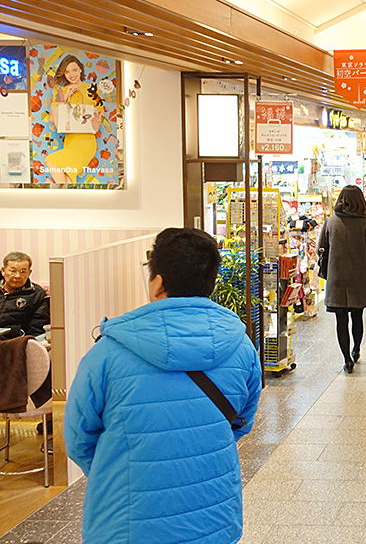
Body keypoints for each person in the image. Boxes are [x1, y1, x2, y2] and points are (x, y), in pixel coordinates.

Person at [64, 228, 262, 544]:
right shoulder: (242, 347)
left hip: (128, 523)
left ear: (157, 282)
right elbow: (240, 423)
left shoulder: (107, 353)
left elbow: (77, 439)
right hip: (213, 518)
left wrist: (122, 467)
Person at [318, 185, 366, 374]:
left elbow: (321, 248)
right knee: (357, 316)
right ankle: (356, 349)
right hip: (358, 278)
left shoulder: (330, 222)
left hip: (336, 278)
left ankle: (346, 359)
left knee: (341, 320)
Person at [45, 55, 103, 184]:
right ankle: (69, 200)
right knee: (67, 179)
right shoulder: (60, 91)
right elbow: (54, 118)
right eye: (67, 72)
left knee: (51, 161)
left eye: (74, 70)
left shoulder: (91, 88)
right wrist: (65, 96)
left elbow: (100, 113)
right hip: (70, 141)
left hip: (87, 142)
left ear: (80, 70)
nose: (71, 75)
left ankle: (64, 198)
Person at [0, 251, 49, 340]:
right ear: (3, 271)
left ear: (29, 273)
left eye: (22, 272)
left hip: (16, 342)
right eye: (13, 271)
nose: (17, 276)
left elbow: (37, 329)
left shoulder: (36, 294)